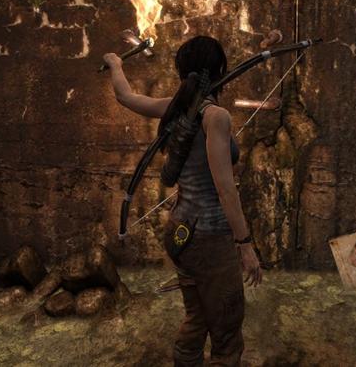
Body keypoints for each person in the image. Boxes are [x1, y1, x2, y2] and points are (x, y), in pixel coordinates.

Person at [103, 35, 262, 366]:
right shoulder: (215, 116)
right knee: (227, 331)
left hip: (180, 233)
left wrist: (116, 64)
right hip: (210, 239)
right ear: (220, 70)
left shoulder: (173, 107)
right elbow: (225, 189)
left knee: (197, 318)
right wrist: (245, 245)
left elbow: (125, 96)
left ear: (181, 71)